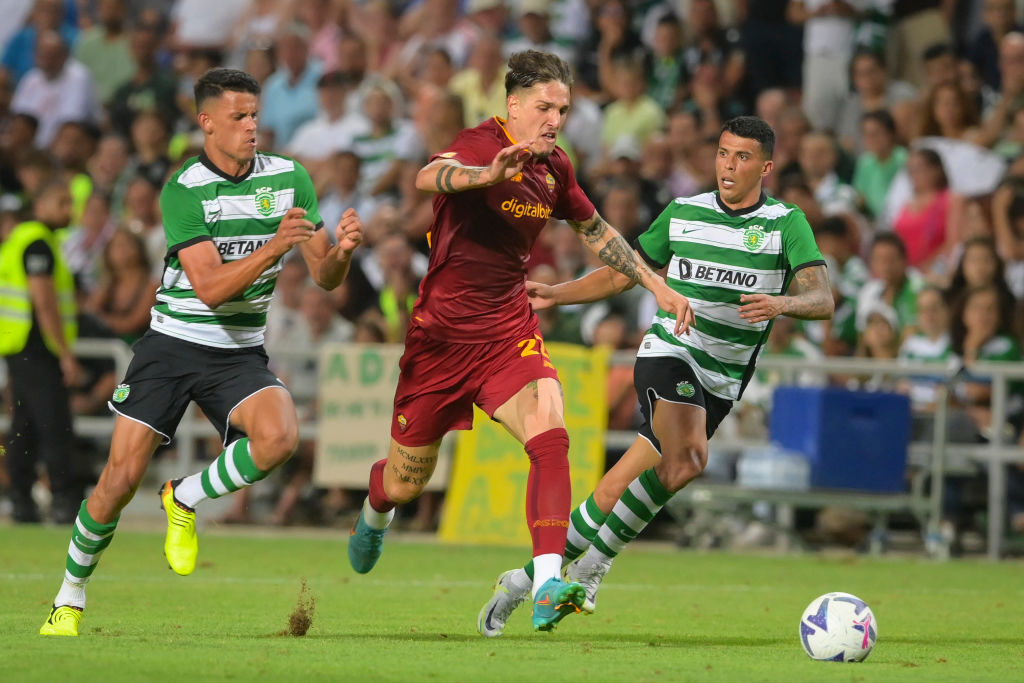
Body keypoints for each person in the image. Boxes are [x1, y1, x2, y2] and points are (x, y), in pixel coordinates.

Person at [345, 50, 693, 633]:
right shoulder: (483, 144)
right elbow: (428, 176)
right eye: (543, 106)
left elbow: (598, 231)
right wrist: (484, 176)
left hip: (507, 328)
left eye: (563, 108)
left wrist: (656, 285)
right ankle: (375, 513)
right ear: (513, 106)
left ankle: (548, 578)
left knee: (550, 431)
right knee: (406, 482)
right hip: (441, 339)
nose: (554, 118)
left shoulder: (556, 167)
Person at [476, 116, 834, 637]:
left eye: (742, 158)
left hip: (723, 378)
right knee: (684, 453)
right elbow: (625, 271)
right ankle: (592, 569)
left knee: (644, 478)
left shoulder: (785, 223)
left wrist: (784, 302)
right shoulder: (685, 212)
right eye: (723, 153)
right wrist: (560, 292)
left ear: (766, 166)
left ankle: (521, 581)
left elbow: (822, 298)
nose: (729, 166)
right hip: (670, 349)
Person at [38, 67, 365, 637]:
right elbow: (211, 288)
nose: (251, 128)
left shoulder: (291, 179)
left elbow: (325, 276)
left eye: (255, 116)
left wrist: (342, 253)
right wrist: (271, 248)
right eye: (238, 118)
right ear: (206, 123)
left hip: (238, 352)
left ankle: (182, 496)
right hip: (173, 343)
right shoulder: (184, 189)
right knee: (117, 480)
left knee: (280, 438)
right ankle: (70, 596)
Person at [0, 180, 81, 524]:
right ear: (41, 204)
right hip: (37, 347)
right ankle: (64, 500)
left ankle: (21, 499)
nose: (69, 211)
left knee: (26, 424)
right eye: (62, 202)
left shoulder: (21, 238)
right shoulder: (37, 243)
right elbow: (44, 301)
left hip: (19, 346)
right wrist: (65, 354)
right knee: (54, 424)